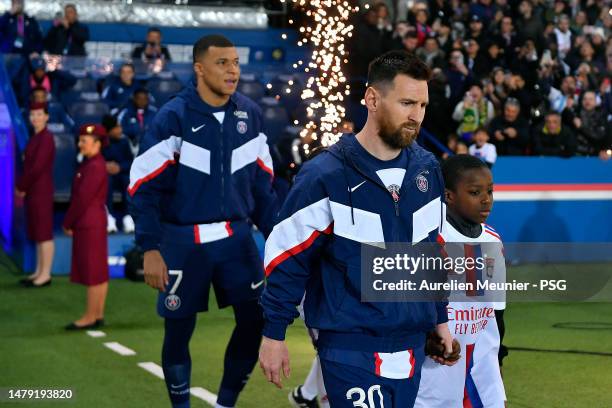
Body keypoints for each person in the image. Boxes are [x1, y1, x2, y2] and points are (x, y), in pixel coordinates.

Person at [259, 51, 455, 407]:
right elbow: (287, 259)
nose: (416, 116)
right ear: (372, 99)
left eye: (423, 105)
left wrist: (440, 319)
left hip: (411, 343)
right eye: (407, 103)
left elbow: (432, 253)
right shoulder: (324, 175)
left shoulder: (427, 170)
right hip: (349, 346)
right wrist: (273, 333)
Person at [128, 34, 277, 408]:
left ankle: (225, 403)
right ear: (199, 68)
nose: (232, 71)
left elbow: (263, 191)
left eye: (236, 63)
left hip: (237, 239)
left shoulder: (251, 115)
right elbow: (142, 188)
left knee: (255, 320)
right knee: (178, 331)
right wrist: (149, 248)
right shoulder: (172, 117)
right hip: (181, 242)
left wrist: (278, 243)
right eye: (222, 63)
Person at [415, 154, 506, 408]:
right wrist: (427, 340)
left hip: (480, 367)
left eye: (490, 191)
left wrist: (497, 358)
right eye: (475, 192)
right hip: (436, 364)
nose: (486, 199)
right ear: (449, 196)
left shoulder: (492, 241)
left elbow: (496, 313)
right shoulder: (429, 238)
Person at [62, 124, 109, 330]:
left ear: (97, 143)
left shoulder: (93, 166)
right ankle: (97, 314)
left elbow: (81, 199)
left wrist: (67, 222)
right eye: (80, 140)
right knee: (98, 270)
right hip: (95, 222)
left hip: (88, 223)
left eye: (84, 141)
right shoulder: (96, 164)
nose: (80, 144)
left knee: (92, 271)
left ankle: (90, 316)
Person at [16, 102, 55, 288]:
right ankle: (39, 271)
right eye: (32, 114)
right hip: (34, 191)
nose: (35, 118)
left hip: (41, 190)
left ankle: (45, 274)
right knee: (38, 232)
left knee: (44, 233)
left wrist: (21, 185)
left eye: (39, 114)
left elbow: (37, 168)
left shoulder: (46, 138)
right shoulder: (35, 138)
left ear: (47, 116)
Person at [102, 114, 135, 234]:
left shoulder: (124, 142)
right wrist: (104, 166)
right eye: (116, 127)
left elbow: (131, 161)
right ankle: (109, 218)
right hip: (106, 176)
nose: (120, 129)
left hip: (121, 174)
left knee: (128, 181)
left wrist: (120, 167)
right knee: (107, 181)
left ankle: (128, 218)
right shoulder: (100, 142)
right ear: (109, 130)